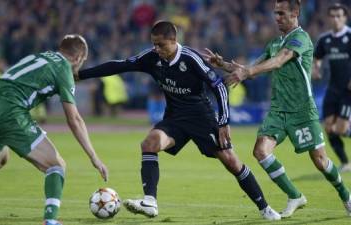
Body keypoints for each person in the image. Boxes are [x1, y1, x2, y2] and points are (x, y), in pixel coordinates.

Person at [78, 21, 281, 220]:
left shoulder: (190, 58)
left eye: (161, 45)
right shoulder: (151, 58)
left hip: (201, 117)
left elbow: (218, 86)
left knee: (231, 161)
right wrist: (80, 74)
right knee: (149, 144)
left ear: (173, 40)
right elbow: (119, 66)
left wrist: (223, 122)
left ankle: (265, 208)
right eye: (154, 44)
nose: (156, 49)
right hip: (175, 117)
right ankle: (150, 201)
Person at [205, 0, 351, 218]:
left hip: (302, 111)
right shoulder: (274, 42)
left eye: (281, 13)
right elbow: (253, 67)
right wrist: (224, 64)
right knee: (260, 151)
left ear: (295, 13)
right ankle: (295, 195)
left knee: (320, 161)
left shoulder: (300, 38)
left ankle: (346, 195)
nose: (277, 17)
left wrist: (248, 72)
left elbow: (279, 61)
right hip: (278, 110)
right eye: (275, 13)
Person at [0, 34, 108, 225]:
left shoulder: (38, 57)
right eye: (82, 62)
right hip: (9, 113)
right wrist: (94, 157)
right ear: (78, 58)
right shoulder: (64, 67)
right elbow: (74, 119)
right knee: (56, 165)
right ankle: (50, 221)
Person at [313, 3, 351, 172]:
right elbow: (318, 56)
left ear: (345, 17)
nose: (335, 19)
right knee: (329, 128)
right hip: (332, 89)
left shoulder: (350, 36)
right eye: (333, 16)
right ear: (329, 18)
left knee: (342, 130)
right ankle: (345, 162)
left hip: (348, 91)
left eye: (339, 16)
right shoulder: (325, 39)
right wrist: (316, 68)